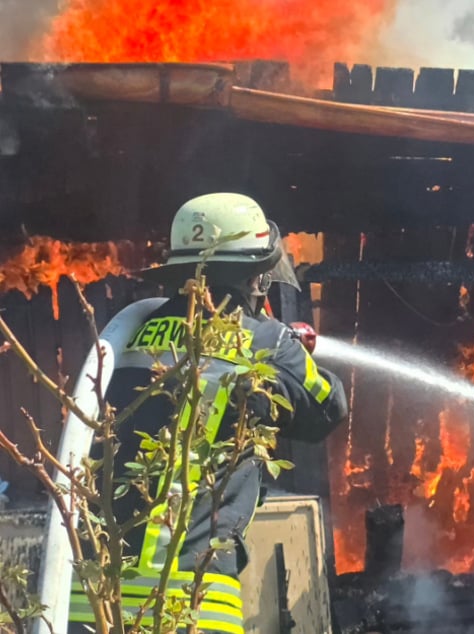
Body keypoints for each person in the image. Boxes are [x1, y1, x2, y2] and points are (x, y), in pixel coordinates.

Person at [67, 193, 348, 634]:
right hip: (190, 602)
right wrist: (286, 353)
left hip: (90, 599)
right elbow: (329, 408)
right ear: (253, 277)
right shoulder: (268, 342)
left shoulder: (130, 332)